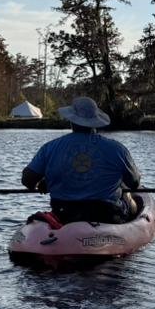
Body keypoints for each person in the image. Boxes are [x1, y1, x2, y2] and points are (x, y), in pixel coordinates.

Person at [20, 96, 143, 224]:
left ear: (71, 120)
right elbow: (134, 183)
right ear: (96, 121)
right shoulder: (117, 149)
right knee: (128, 196)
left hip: (64, 213)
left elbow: (27, 181)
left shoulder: (50, 147)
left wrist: (48, 182)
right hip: (107, 214)